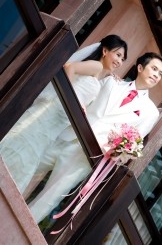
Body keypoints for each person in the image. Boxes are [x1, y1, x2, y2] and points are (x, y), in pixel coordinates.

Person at [28, 52, 162, 223]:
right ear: (140, 68)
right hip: (68, 135)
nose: (156, 75)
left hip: (87, 155)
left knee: (48, 198)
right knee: (28, 167)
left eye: (160, 74)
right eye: (154, 69)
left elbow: (133, 142)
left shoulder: (150, 111)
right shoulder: (111, 81)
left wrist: (117, 152)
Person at [0, 35, 128, 194]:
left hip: (59, 119)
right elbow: (70, 67)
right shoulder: (96, 66)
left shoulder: (101, 74)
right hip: (54, 111)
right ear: (104, 51)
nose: (119, 60)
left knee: (30, 143)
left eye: (123, 58)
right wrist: (67, 97)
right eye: (117, 54)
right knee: (26, 138)